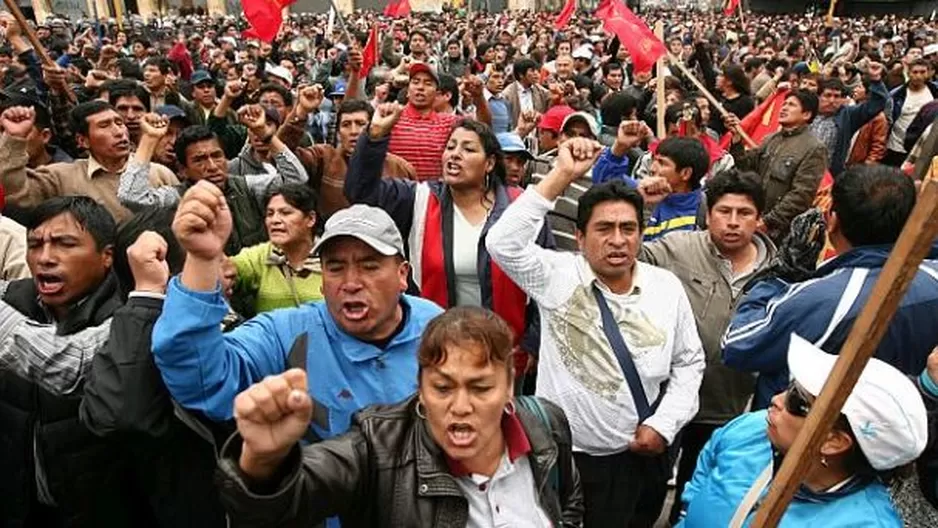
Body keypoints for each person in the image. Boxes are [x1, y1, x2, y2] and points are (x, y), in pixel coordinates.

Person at [486, 137, 705, 527]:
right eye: (604, 228)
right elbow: (502, 243)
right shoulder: (557, 275)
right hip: (564, 460)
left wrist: (664, 424)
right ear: (581, 237)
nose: (618, 240)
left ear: (641, 233)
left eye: (628, 228)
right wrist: (562, 175)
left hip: (640, 458)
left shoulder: (666, 287)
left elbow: (689, 362)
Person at [216, 307, 584, 526]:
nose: (460, 406)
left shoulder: (545, 426)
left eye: (481, 388)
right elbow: (291, 499)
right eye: (442, 388)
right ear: (420, 388)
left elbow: (569, 500)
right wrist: (263, 460)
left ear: (509, 387)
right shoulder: (378, 446)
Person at [151, 183, 442, 439]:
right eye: (335, 267)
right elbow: (201, 381)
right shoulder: (285, 334)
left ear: (403, 275)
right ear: (322, 281)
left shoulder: (436, 327)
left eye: (369, 266)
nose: (351, 283)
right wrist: (202, 260)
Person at [346, 103, 552, 379]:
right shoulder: (419, 199)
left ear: (489, 163)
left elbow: (547, 282)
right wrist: (375, 136)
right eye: (451, 147)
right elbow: (360, 192)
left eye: (468, 149)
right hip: (435, 348)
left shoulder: (521, 209)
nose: (455, 155)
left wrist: (534, 344)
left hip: (506, 355)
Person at [722, 164, 938, 409]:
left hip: (804, 432)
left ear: (832, 220)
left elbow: (737, 344)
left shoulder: (823, 299)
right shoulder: (933, 275)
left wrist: (783, 274)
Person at [637, 170, 777, 524]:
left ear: (759, 218)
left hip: (727, 407)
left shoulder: (776, 270)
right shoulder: (679, 248)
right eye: (723, 211)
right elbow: (625, 253)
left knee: (697, 492)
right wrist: (641, 206)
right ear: (708, 213)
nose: (733, 222)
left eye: (744, 213)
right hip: (668, 401)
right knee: (646, 492)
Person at [678, 335, 928, 527]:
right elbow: (704, 473)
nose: (776, 399)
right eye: (791, 385)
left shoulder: (864, 523)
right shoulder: (751, 430)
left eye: (796, 401)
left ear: (833, 441)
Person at [0, 196, 131, 526]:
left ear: (106, 256)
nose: (45, 258)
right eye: (35, 245)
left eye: (65, 244)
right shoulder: (12, 301)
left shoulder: (129, 324)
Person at [118, 112, 306, 255]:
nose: (212, 166)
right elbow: (132, 197)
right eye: (199, 160)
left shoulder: (247, 187)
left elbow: (297, 180)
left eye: (217, 156)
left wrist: (267, 136)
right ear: (183, 170)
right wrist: (149, 139)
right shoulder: (177, 198)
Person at [0, 102, 178, 222]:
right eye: (104, 125)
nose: (118, 132)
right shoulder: (61, 176)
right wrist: (14, 139)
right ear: (82, 140)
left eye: (119, 123)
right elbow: (14, 192)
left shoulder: (159, 173)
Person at [279, 90, 415, 219]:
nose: (354, 131)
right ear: (338, 132)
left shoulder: (400, 168)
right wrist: (301, 111)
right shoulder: (322, 158)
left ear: (374, 127)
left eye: (361, 124)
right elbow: (281, 154)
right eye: (346, 125)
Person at [724, 90, 827, 243]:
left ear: (806, 115)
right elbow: (745, 170)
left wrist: (768, 222)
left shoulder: (813, 148)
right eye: (784, 104)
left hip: (780, 232)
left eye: (791, 105)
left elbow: (801, 195)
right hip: (754, 219)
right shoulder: (770, 140)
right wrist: (737, 138)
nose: (784, 108)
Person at [223, 183, 323, 318]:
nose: (274, 220)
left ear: (311, 219)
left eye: (285, 213)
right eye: (270, 214)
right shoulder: (260, 256)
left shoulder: (330, 258)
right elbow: (222, 274)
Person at [808, 63, 887, 176]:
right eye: (827, 95)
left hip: (829, 175)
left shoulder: (848, 115)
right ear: (818, 96)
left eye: (836, 96)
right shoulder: (806, 111)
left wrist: (875, 80)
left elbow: (877, 103)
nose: (832, 100)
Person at [885, 58, 938, 166]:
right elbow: (888, 120)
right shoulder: (896, 95)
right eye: (915, 72)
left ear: (928, 73)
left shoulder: (935, 91)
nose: (918, 76)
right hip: (897, 148)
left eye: (922, 72)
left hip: (924, 147)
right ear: (908, 73)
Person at [846, 75, 890, 167]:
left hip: (857, 166)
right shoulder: (850, 108)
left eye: (860, 87)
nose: (855, 89)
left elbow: (878, 147)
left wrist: (867, 167)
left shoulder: (878, 118)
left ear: (869, 92)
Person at [503, 58, 550, 130]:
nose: (536, 73)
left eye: (536, 70)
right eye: (532, 71)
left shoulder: (541, 91)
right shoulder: (507, 94)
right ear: (521, 74)